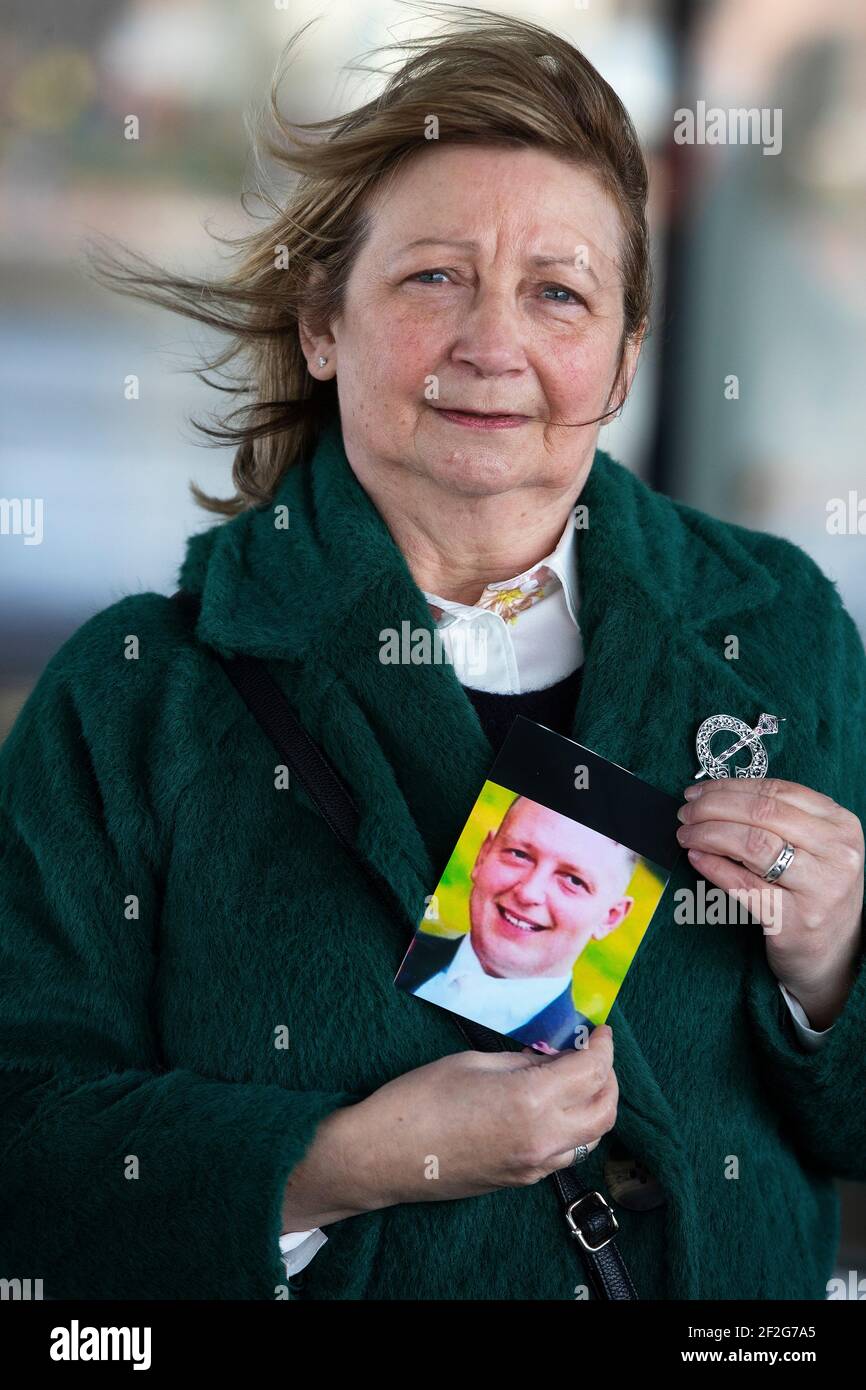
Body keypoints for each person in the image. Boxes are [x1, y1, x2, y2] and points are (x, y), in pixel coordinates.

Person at [1, 9, 864, 1302]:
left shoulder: (777, 628)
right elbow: (23, 1142)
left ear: (623, 358)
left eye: (557, 292)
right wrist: (342, 1163)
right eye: (432, 277)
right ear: (321, 322)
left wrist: (830, 965)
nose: (491, 344)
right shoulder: (134, 696)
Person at [400, 794, 636, 1049]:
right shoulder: (396, 938)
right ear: (482, 856)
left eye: (573, 881)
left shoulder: (579, 1057)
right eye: (519, 854)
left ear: (610, 918)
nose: (528, 893)